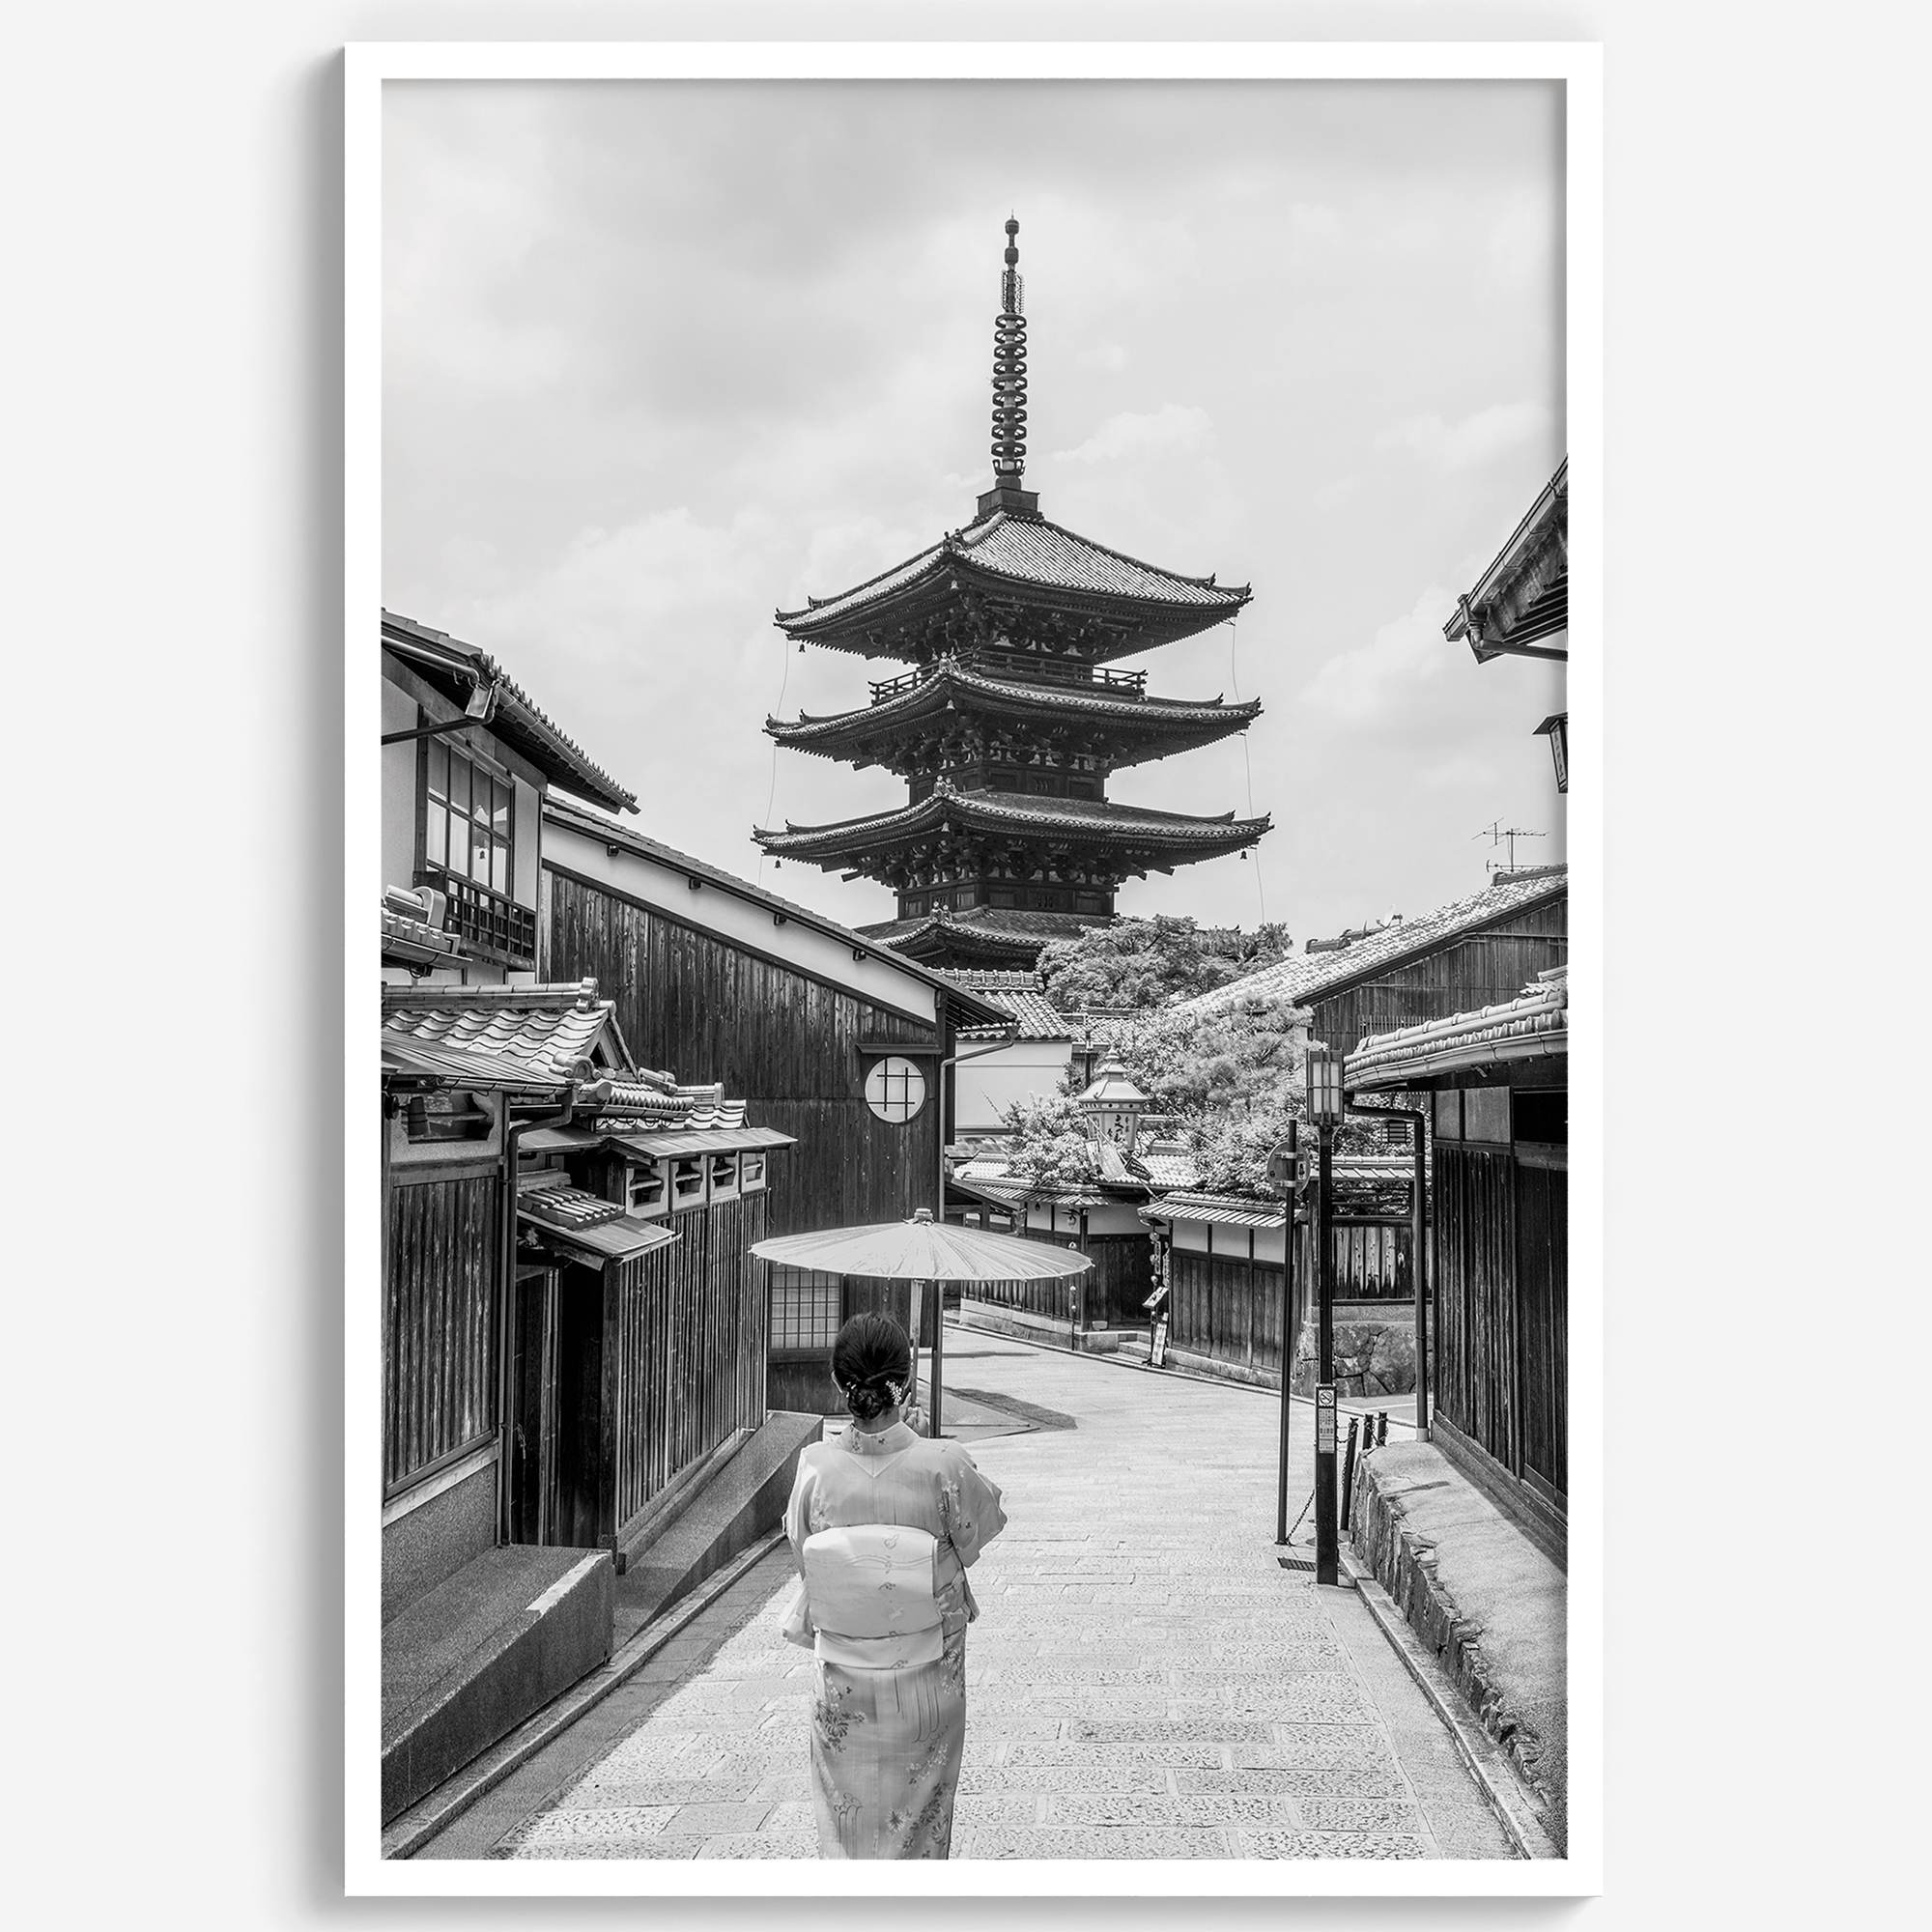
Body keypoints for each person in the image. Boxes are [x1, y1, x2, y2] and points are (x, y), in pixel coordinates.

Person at [781, 1310, 1007, 1859]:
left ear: (840, 1384)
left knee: (847, 1819)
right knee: (921, 1818)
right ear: (904, 1383)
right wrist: (923, 1448)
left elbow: (805, 1556)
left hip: (846, 1683)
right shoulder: (945, 1464)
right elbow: (979, 1534)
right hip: (928, 1678)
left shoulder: (814, 1468)